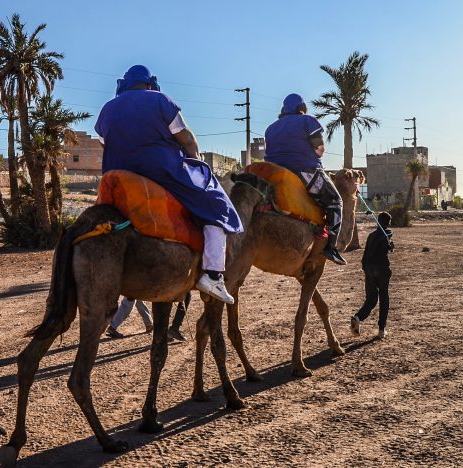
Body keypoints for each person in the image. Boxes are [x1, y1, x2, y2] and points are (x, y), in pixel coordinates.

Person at [95, 65, 242, 304]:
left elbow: (105, 144)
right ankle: (213, 274)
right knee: (216, 203)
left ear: (124, 85)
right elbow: (186, 138)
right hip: (162, 171)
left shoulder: (106, 109)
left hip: (116, 174)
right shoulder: (161, 100)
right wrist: (196, 160)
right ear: (149, 84)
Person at [263, 93, 346, 265]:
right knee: (335, 202)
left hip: (274, 174)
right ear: (302, 108)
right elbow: (319, 148)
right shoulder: (308, 121)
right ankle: (330, 246)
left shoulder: (270, 128)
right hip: (305, 171)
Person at [351, 212, 394, 339]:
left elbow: (366, 255)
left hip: (369, 269)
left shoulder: (371, 236)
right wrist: (390, 245)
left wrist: (365, 269)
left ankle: (358, 317)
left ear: (378, 222)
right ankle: (381, 329)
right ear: (388, 223)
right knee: (384, 297)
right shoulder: (387, 233)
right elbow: (387, 242)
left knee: (371, 299)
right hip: (382, 269)